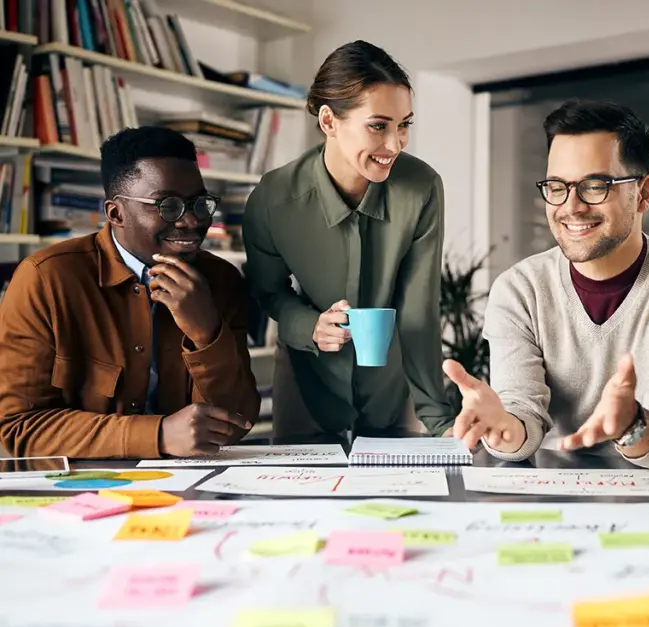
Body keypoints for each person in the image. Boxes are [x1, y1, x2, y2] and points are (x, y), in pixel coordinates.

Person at [443, 101, 649, 469]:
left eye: (595, 185)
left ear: (645, 193)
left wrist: (631, 426)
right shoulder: (519, 289)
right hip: (557, 496)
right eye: (557, 186)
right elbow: (521, 414)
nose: (572, 206)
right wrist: (507, 428)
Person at [0, 126, 260, 459]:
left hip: (192, 488)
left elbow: (238, 421)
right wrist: (158, 435)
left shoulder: (222, 280)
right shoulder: (46, 279)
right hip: (83, 491)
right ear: (116, 213)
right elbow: (19, 427)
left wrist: (206, 332)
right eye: (168, 206)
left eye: (199, 204)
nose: (192, 221)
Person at [243, 40, 455, 439]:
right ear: (329, 121)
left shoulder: (421, 187)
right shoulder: (273, 199)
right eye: (379, 125)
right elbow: (265, 291)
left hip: (395, 386)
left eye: (404, 124)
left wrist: (438, 418)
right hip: (308, 381)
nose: (394, 144)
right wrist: (309, 327)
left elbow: (419, 308)